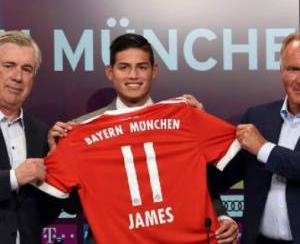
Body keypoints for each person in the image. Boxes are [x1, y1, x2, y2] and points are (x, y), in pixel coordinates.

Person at [49, 33, 238, 243]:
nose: (133, 75)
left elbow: (202, 178)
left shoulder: (184, 118)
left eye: (142, 67)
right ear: (110, 72)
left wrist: (220, 214)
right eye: (124, 67)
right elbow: (71, 206)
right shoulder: (80, 129)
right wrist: (57, 154)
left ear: (154, 70)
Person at [208, 31, 300, 244]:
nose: (299, 79)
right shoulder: (257, 117)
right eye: (293, 69)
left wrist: (263, 148)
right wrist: (196, 123)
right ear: (281, 70)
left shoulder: (258, 139)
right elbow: (214, 179)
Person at [0, 30, 62, 244]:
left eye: (26, 69)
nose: (17, 77)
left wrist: (57, 166)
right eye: (9, 66)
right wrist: (14, 178)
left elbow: (46, 214)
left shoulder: (41, 133)